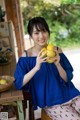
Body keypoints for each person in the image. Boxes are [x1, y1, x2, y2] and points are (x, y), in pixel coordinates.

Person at [14, 16, 80, 120]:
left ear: (48, 32)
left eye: (44, 31)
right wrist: (36, 67)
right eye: (36, 33)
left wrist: (58, 64)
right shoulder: (26, 57)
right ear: (31, 35)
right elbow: (19, 83)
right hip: (52, 103)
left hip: (71, 95)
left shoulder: (57, 51)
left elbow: (67, 79)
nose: (41, 36)